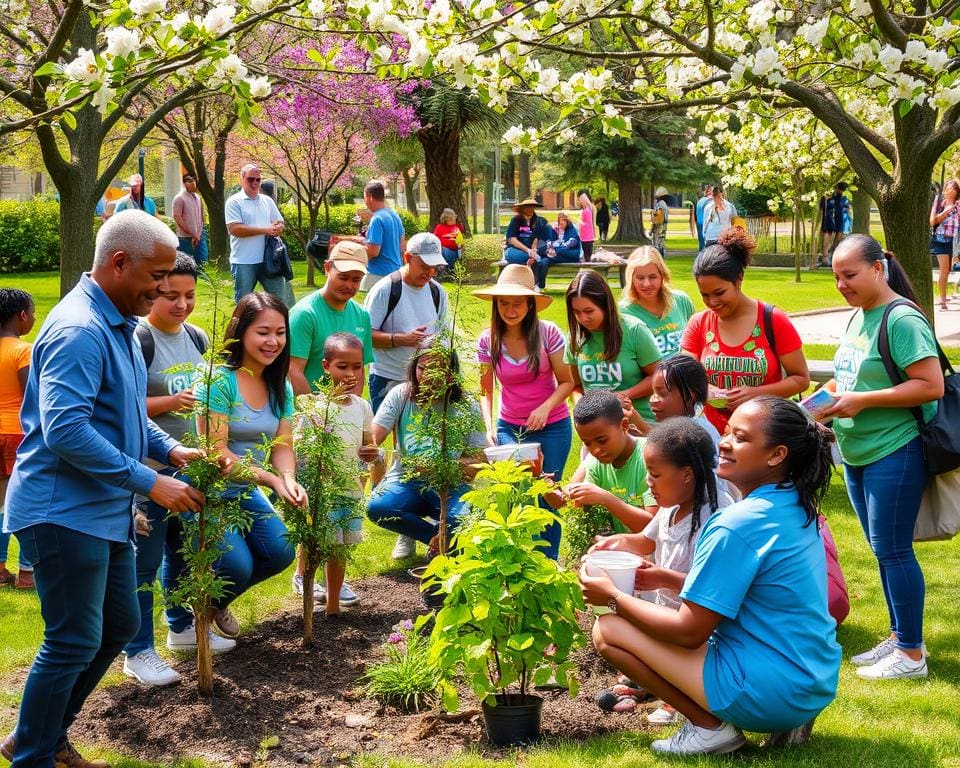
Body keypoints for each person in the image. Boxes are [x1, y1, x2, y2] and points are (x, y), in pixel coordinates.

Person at [0, 211, 204, 768]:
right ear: (119, 263)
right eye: (157, 275)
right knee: (71, 639)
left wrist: (169, 449)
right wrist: (149, 480)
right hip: (61, 510)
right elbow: (67, 429)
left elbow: (127, 410)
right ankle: (34, 757)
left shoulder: (117, 323)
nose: (164, 288)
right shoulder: (79, 330)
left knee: (119, 624)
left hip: (102, 509)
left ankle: (43, 734)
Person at [581, 397, 842, 755]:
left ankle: (709, 728)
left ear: (776, 455)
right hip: (813, 679)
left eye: (741, 437)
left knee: (608, 630)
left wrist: (612, 597)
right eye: (727, 431)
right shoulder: (795, 504)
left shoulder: (735, 524)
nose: (723, 442)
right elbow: (752, 593)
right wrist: (667, 579)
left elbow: (689, 632)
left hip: (772, 690)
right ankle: (782, 716)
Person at [825, 234, 944, 680]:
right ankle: (899, 636)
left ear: (878, 269)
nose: (841, 284)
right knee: (882, 550)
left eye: (849, 275)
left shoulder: (901, 319)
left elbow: (929, 385)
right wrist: (824, 403)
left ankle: (911, 655)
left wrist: (863, 400)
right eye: (836, 276)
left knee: (894, 551)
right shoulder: (860, 315)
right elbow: (850, 376)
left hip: (895, 448)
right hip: (856, 451)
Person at [120, 252, 228, 686]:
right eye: (170, 295)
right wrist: (170, 403)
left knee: (183, 555)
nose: (181, 305)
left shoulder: (199, 338)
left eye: (189, 295)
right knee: (143, 562)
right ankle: (137, 650)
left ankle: (181, 628)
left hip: (190, 466)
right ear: (153, 291)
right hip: (149, 472)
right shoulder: (138, 340)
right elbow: (123, 406)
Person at [178, 292, 302, 650]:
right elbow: (216, 452)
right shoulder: (218, 379)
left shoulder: (281, 385)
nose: (273, 341)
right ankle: (198, 613)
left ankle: (212, 605)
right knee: (236, 566)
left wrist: (289, 479)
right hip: (206, 491)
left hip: (245, 488)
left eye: (280, 332)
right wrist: (270, 480)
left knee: (281, 551)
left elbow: (282, 445)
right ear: (241, 331)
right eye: (263, 332)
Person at [591, 418, 734, 722]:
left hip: (702, 630)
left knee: (616, 626)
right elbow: (644, 541)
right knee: (610, 629)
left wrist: (662, 577)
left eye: (655, 475)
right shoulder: (671, 505)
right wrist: (614, 543)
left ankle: (682, 698)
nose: (648, 483)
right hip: (668, 616)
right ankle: (659, 684)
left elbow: (716, 589)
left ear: (687, 475)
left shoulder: (715, 517)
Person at [475, 265, 574, 559]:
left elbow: (568, 382)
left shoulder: (549, 333)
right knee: (516, 495)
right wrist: (489, 426)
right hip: (511, 427)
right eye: (504, 302)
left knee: (547, 496)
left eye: (518, 302)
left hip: (554, 426)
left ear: (531, 303)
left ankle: (549, 563)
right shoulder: (487, 339)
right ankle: (520, 562)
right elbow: (485, 390)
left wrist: (545, 408)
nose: (510, 309)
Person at [364, 232, 449, 559]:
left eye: (434, 267)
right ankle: (408, 532)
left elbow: (442, 335)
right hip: (389, 376)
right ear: (408, 257)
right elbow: (366, 334)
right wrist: (401, 339)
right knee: (397, 446)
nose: (429, 272)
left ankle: (421, 525)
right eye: (424, 265)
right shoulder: (386, 289)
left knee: (420, 440)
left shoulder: (438, 293)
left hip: (428, 381)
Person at [681, 228, 810, 433]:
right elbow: (684, 378)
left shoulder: (773, 320)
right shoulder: (699, 323)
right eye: (704, 295)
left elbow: (801, 379)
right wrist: (707, 390)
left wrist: (757, 393)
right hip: (709, 438)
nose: (712, 302)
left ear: (739, 279)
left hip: (761, 436)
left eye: (719, 293)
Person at [367, 347, 486, 549]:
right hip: (405, 481)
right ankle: (436, 539)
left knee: (467, 518)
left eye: (438, 370)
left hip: (450, 483)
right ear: (414, 368)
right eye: (423, 368)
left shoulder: (466, 403)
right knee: (378, 507)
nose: (429, 376)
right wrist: (368, 447)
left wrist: (442, 467)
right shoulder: (401, 394)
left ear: (451, 374)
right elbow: (372, 439)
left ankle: (445, 542)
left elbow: (480, 460)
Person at [294, 333, 378, 616]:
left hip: (351, 488)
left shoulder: (362, 406)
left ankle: (332, 606)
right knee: (320, 544)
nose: (351, 374)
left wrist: (370, 452)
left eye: (357, 367)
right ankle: (307, 594)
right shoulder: (314, 407)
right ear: (327, 366)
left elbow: (369, 443)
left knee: (340, 550)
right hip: (323, 493)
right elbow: (301, 450)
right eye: (343, 366)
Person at [564, 270, 661, 427]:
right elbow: (574, 385)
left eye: (589, 311)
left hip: (639, 423)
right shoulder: (575, 337)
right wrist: (581, 408)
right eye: (576, 312)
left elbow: (658, 378)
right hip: (597, 428)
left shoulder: (634, 330)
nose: (583, 319)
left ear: (605, 305)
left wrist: (621, 396)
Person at [560, 390, 656, 534]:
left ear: (624, 426)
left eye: (602, 440)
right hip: (625, 551)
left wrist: (607, 499)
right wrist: (541, 480)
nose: (595, 450)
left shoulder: (652, 458)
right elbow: (568, 501)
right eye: (587, 443)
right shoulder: (596, 462)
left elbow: (653, 529)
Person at [289, 241, 374, 398]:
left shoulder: (362, 315)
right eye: (343, 277)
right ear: (327, 268)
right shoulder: (305, 314)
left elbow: (359, 369)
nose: (349, 285)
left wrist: (351, 407)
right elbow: (293, 371)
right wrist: (317, 414)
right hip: (309, 412)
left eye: (356, 280)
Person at [0, 289, 35, 590]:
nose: (34, 317)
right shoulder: (23, 350)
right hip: (18, 433)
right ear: (22, 315)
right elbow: (31, 397)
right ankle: (26, 573)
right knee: (26, 501)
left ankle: (0, 570)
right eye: (33, 312)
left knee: (0, 505)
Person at [224, 164, 287, 303]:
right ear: (242, 179)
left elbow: (280, 222)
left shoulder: (267, 201)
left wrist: (278, 227)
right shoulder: (234, 202)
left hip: (269, 259)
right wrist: (266, 230)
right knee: (243, 305)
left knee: (279, 302)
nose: (255, 183)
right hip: (244, 261)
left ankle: (279, 325)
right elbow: (235, 229)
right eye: (250, 179)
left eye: (258, 180)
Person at [619, 246, 695, 357]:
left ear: (662, 275)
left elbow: (697, 340)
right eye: (640, 278)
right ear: (631, 278)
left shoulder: (681, 301)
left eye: (653, 277)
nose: (647, 284)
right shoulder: (623, 313)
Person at [343, 180, 405, 292]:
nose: (365, 202)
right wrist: (365, 241)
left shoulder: (377, 219)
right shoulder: (394, 215)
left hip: (378, 275)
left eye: (364, 198)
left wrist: (353, 252)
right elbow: (402, 245)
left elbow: (373, 251)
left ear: (369, 196)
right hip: (396, 273)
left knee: (373, 309)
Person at [928, 179, 959, 311]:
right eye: (949, 187)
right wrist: (946, 211)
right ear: (945, 189)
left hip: (956, 241)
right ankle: (942, 299)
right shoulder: (940, 202)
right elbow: (932, 221)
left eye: (954, 187)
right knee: (944, 270)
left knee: (954, 268)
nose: (951, 189)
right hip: (941, 239)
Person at [533, 212, 581, 290]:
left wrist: (555, 250)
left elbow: (569, 245)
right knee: (544, 261)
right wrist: (550, 248)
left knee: (545, 257)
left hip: (570, 256)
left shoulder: (572, 231)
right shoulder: (556, 231)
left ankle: (539, 285)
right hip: (559, 256)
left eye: (562, 220)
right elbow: (552, 243)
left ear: (567, 221)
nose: (560, 223)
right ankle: (540, 285)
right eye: (559, 221)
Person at [172, 172, 208, 266]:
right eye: (189, 181)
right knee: (186, 265)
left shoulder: (198, 198)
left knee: (203, 262)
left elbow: (201, 218)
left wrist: (198, 235)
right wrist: (192, 234)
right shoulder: (179, 198)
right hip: (185, 238)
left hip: (200, 236)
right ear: (184, 184)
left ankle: (201, 280)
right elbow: (177, 218)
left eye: (194, 180)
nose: (193, 183)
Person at [503, 198, 552, 267]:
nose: (530, 208)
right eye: (527, 206)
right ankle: (535, 259)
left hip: (534, 251)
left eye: (532, 206)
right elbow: (511, 239)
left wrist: (534, 250)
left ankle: (535, 261)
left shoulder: (540, 221)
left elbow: (536, 238)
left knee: (540, 256)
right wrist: (527, 250)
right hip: (516, 249)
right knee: (513, 255)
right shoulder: (515, 220)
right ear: (522, 208)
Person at [819, 182, 851, 267]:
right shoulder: (829, 199)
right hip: (830, 218)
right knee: (828, 235)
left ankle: (833, 256)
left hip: (840, 218)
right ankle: (826, 257)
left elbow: (846, 211)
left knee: (838, 238)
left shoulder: (844, 199)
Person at [692, 185, 713, 252]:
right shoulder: (709, 201)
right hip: (706, 225)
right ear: (709, 192)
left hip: (699, 224)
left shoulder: (700, 201)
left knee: (701, 244)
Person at [578, 189, 597, 262]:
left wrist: (578, 221)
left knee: (587, 255)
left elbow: (587, 223)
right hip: (585, 236)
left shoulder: (588, 210)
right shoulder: (587, 209)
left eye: (580, 199)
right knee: (586, 255)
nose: (580, 201)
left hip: (587, 236)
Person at [651, 187, 670, 258]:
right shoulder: (664, 204)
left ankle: (658, 257)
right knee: (661, 242)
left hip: (659, 226)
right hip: (664, 226)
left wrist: (652, 228)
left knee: (657, 243)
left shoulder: (660, 205)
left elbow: (658, 218)